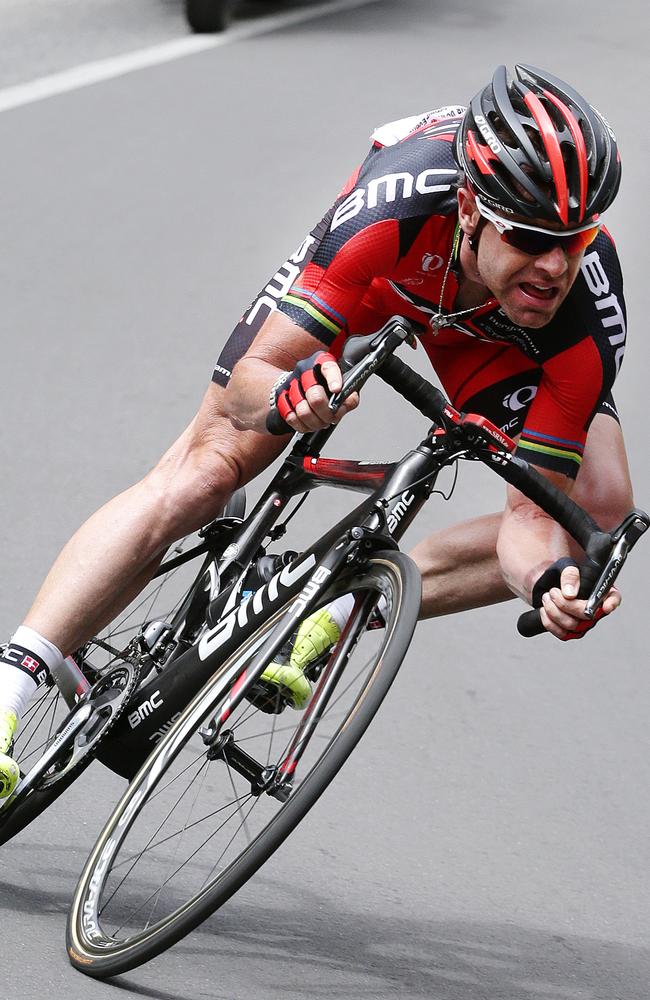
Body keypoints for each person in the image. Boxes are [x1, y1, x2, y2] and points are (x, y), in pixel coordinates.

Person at [0, 64, 631, 797]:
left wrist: (546, 581)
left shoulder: (581, 316)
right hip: (385, 278)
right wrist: (291, 392)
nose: (555, 265)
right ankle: (9, 690)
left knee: (598, 515)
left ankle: (335, 603)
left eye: (575, 238)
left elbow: (531, 519)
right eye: (528, 235)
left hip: (494, 336)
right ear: (470, 206)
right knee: (207, 468)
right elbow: (250, 386)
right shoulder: (392, 206)